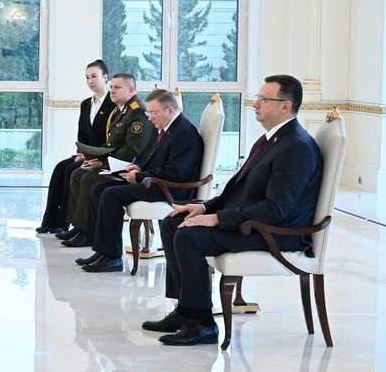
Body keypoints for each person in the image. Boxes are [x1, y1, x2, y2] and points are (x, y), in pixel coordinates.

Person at [148, 74, 322, 346]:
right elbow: (237, 191)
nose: (255, 104)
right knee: (173, 222)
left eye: (263, 99)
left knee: (189, 237)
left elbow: (276, 209)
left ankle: (204, 324)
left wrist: (217, 219)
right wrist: (203, 207)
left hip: (276, 232)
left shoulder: (296, 147)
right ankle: (186, 310)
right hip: (256, 221)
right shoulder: (272, 139)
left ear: (285, 106)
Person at [77, 89, 203, 272]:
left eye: (154, 112)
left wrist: (139, 176)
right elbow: (160, 162)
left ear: (169, 110)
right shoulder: (170, 128)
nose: (150, 118)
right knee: (99, 189)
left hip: (170, 188)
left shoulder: (184, 132)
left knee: (110, 194)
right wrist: (139, 168)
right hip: (156, 181)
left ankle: (112, 258)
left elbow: (176, 172)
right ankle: (103, 251)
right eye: (148, 112)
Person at [57, 73, 155, 247]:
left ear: (131, 90)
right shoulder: (120, 110)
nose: (112, 91)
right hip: (116, 163)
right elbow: (110, 144)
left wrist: (103, 163)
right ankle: (78, 226)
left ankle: (87, 232)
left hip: (131, 167)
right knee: (78, 174)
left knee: (89, 178)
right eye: (111, 87)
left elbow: (132, 150)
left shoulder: (137, 111)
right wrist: (93, 158)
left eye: (117, 87)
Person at [36, 59, 116, 235]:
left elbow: (111, 139)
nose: (90, 81)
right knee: (60, 167)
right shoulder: (86, 104)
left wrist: (91, 156)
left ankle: (63, 222)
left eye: (94, 76)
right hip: (86, 153)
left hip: (101, 156)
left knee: (71, 170)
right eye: (87, 77)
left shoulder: (113, 105)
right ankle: (49, 219)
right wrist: (81, 153)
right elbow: (82, 134)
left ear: (105, 77)